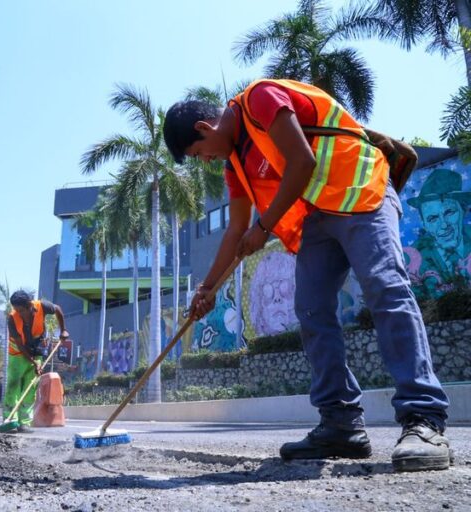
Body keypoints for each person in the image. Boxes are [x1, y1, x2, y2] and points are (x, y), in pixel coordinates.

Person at [163, 79, 451, 472]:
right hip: (321, 215)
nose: (206, 161)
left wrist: (263, 227)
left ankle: (424, 418)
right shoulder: (238, 167)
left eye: (199, 154)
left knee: (385, 289)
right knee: (311, 309)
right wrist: (208, 289)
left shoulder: (260, 98)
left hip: (362, 189)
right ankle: (341, 424)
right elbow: (235, 230)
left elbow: (303, 162)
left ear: (204, 128)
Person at [5, 290, 68, 433]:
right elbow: (20, 344)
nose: (18, 313)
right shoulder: (12, 319)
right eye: (16, 310)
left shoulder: (42, 306)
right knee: (14, 385)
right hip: (17, 353)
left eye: (21, 310)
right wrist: (33, 363)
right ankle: (10, 420)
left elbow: (57, 309)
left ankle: (25, 422)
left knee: (31, 386)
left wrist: (63, 330)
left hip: (36, 349)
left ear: (28, 305)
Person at [404, 168, 471, 299]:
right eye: (433, 219)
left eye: (449, 212)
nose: (444, 225)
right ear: (424, 225)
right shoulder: (415, 257)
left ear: (463, 211)